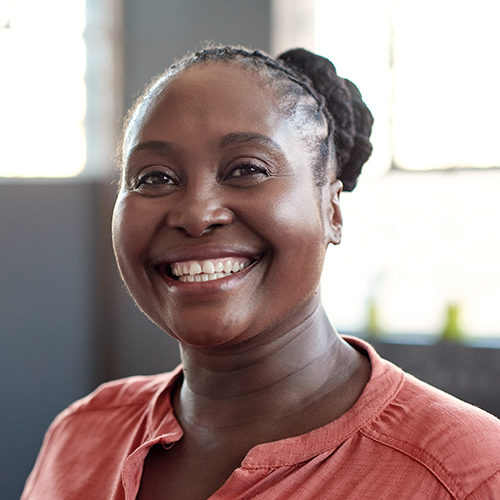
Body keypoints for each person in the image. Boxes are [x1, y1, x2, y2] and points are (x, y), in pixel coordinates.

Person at [22, 45, 500, 500]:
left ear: (332, 211)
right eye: (155, 178)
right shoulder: (81, 434)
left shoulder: (468, 474)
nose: (197, 212)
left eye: (247, 169)